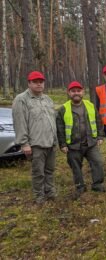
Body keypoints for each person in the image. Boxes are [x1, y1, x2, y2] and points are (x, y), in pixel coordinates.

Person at [12, 71, 57, 204]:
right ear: (29, 83)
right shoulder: (21, 99)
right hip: (36, 143)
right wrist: (24, 143)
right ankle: (39, 196)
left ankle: (50, 192)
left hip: (50, 142)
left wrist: (56, 140)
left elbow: (52, 120)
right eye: (35, 82)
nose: (39, 84)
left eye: (41, 81)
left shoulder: (47, 99)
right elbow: (20, 122)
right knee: (38, 172)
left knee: (50, 170)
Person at [56, 81, 106, 198]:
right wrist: (62, 144)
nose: (76, 93)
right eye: (73, 91)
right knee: (76, 167)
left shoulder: (90, 105)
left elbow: (98, 121)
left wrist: (100, 136)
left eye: (78, 91)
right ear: (69, 93)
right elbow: (60, 128)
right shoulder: (63, 109)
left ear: (82, 92)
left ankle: (97, 184)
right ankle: (80, 186)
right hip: (73, 145)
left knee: (97, 162)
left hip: (90, 143)